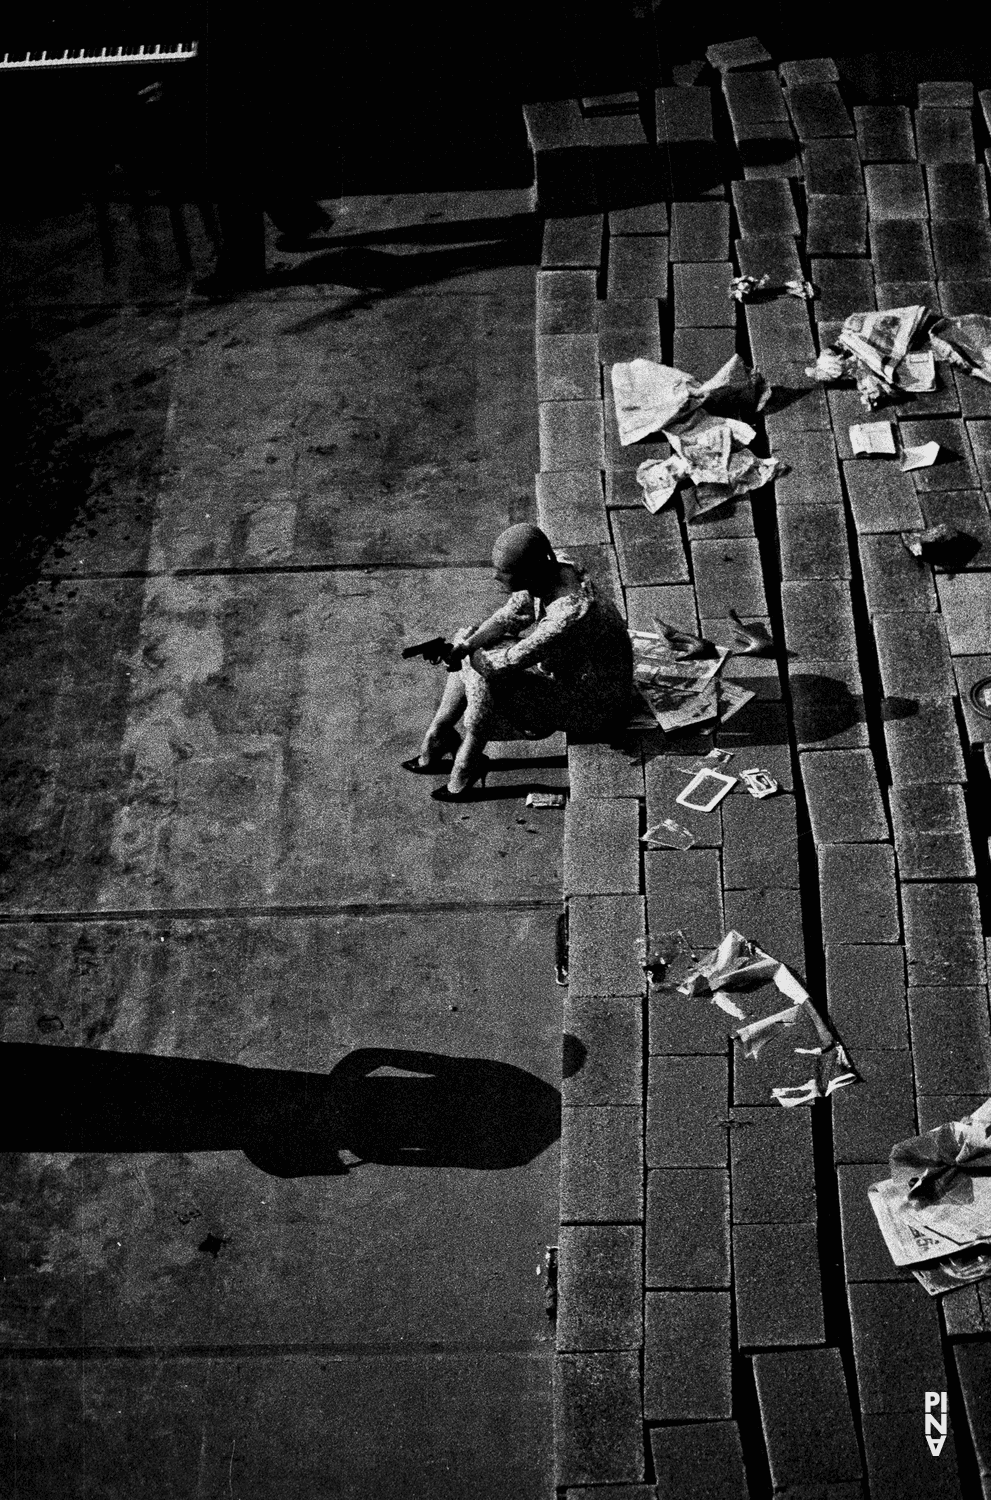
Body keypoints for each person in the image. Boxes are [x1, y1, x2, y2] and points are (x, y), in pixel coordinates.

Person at [403, 523, 634, 801]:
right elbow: (509, 616)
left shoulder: (568, 615)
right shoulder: (551, 566)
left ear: (528, 572)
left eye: (504, 571)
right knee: (471, 639)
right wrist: (466, 645)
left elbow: (496, 666)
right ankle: (441, 733)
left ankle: (466, 761)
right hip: (567, 673)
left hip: (594, 705)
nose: (495, 576)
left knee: (482, 676)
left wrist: (466, 652)